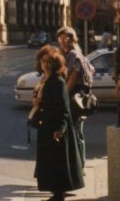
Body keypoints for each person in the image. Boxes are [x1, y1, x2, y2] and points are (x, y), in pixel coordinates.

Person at [34, 49, 84, 201]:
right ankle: (56, 192)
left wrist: (60, 129)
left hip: (55, 128)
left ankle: (58, 194)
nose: (41, 64)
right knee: (51, 161)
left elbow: (63, 108)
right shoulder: (49, 81)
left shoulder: (58, 82)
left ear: (49, 65)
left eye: (44, 62)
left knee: (57, 162)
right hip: (48, 126)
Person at [56, 26, 94, 171]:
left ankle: (79, 167)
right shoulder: (77, 54)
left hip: (74, 100)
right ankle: (78, 165)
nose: (60, 41)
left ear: (70, 39)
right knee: (78, 132)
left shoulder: (74, 55)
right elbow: (92, 69)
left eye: (62, 38)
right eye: (59, 38)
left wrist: (63, 96)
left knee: (76, 133)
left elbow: (73, 77)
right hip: (79, 98)